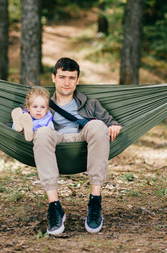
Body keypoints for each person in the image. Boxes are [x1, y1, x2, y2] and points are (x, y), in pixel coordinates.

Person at [33, 57, 122, 235]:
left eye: (72, 78)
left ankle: (95, 201)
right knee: (41, 133)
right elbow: (23, 123)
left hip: (82, 140)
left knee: (98, 125)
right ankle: (54, 207)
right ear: (53, 78)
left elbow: (111, 122)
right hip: (55, 140)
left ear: (78, 80)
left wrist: (114, 126)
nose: (67, 82)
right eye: (62, 77)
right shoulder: (42, 104)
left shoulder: (90, 104)